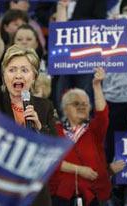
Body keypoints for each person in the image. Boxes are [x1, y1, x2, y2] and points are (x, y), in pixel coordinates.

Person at [0, 44, 57, 206]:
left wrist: (38, 127)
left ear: (34, 76)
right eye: (12, 70)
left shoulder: (45, 107)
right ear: (4, 75)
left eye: (24, 70)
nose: (18, 75)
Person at [50, 68, 111, 206]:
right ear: (65, 108)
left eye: (85, 104)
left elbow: (102, 115)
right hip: (60, 196)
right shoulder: (54, 131)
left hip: (91, 196)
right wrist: (79, 170)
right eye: (76, 103)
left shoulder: (93, 131)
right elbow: (50, 161)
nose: (82, 107)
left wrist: (96, 86)